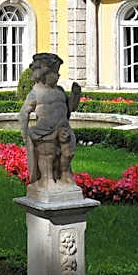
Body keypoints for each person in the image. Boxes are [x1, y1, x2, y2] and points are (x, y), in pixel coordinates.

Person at [19, 53, 82, 191]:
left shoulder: (60, 91)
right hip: (44, 132)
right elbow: (24, 113)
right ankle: (46, 179)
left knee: (68, 153)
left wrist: (76, 95)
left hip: (63, 129)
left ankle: (65, 174)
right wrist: (24, 133)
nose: (58, 76)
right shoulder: (35, 93)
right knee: (47, 155)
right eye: (55, 73)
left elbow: (70, 108)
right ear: (43, 75)